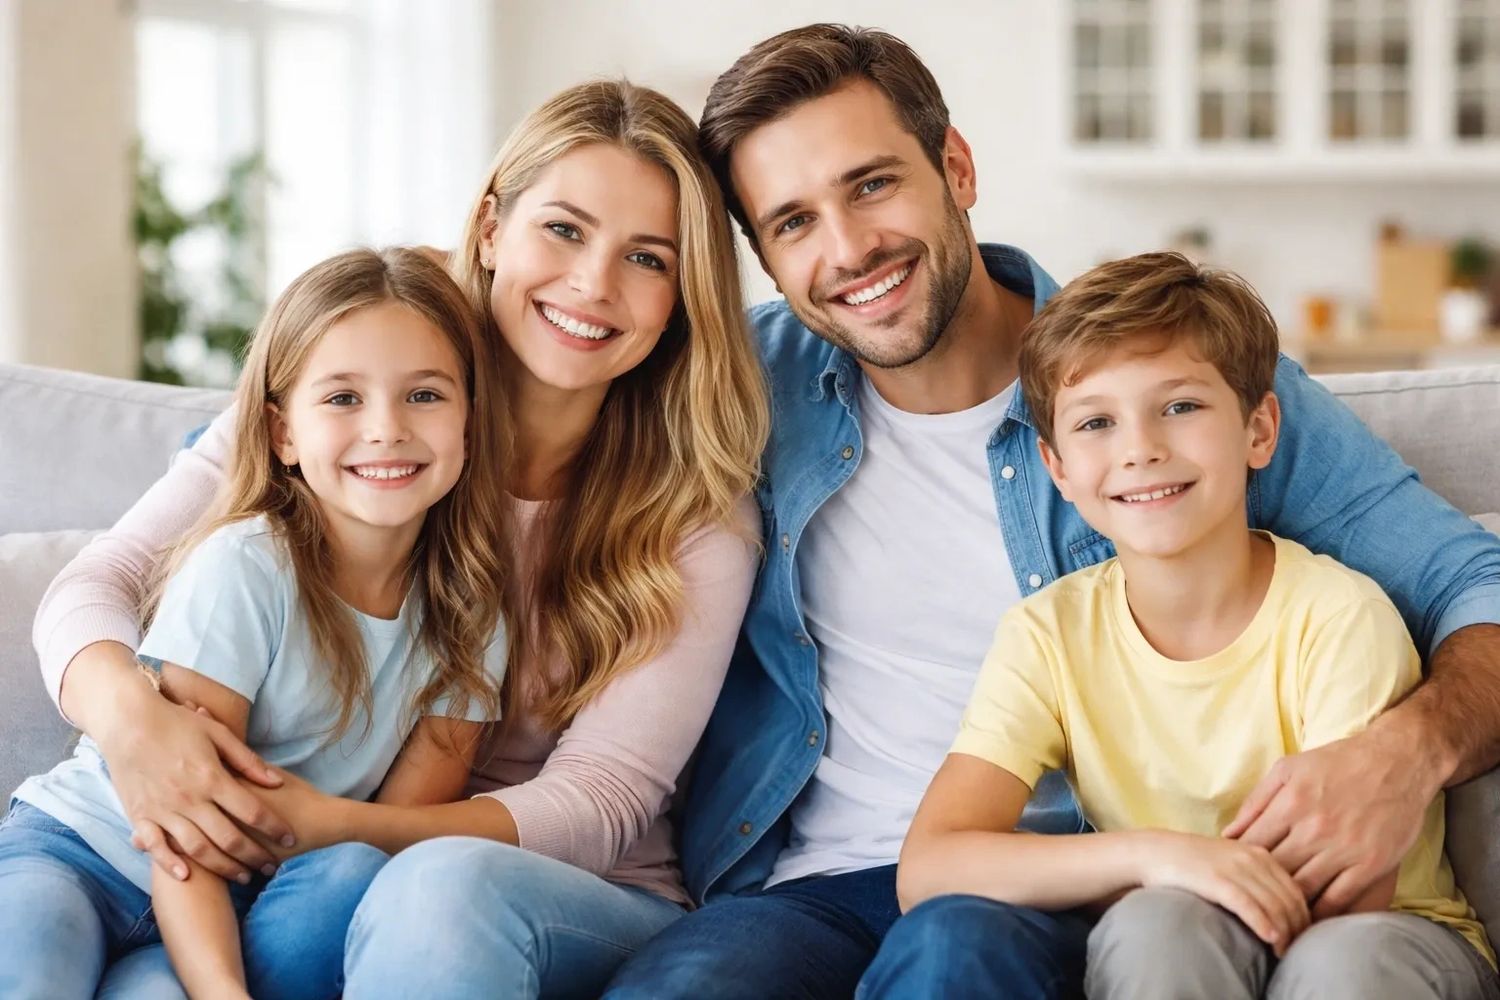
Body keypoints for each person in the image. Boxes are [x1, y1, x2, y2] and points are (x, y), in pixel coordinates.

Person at [605, 23, 1500, 999]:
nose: (849, 248)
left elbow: (1474, 580)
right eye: (793, 222)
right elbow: (523, 420)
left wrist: (1405, 752)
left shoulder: (1165, 391)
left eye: (872, 184)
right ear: (765, 260)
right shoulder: (743, 383)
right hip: (809, 887)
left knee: (953, 956)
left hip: (1077, 886)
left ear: (955, 165)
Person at [30, 80, 769, 998]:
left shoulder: (695, 515)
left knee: (433, 886)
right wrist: (134, 725)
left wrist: (329, 823)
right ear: (492, 228)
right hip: (306, 875)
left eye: (648, 259)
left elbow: (602, 803)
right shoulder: (369, 370)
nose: (593, 286)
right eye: (565, 230)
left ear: (684, 295)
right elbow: (96, 581)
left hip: (568, 891)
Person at [898, 250, 1498, 1000]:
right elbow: (930, 865)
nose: (1141, 448)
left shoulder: (1339, 617)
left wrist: (1185, 877)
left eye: (1180, 406)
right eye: (1096, 422)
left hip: (1388, 939)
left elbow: (1348, 898)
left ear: (1259, 431)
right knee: (1155, 925)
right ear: (1057, 468)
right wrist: (1156, 857)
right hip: (1182, 921)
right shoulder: (1047, 636)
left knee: (1338, 963)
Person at [1, 246, 512, 999]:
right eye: (343, 398)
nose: (386, 429)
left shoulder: (473, 613)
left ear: (471, 417)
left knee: (353, 871)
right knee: (33, 973)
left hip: (241, 901)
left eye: (425, 396)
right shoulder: (247, 564)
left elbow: (389, 837)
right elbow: (183, 815)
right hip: (85, 851)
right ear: (282, 434)